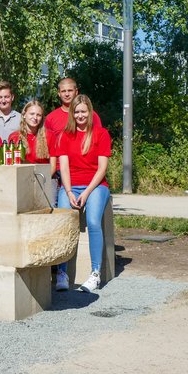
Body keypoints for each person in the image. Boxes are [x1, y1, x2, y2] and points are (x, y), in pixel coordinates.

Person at [54, 95, 112, 293]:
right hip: (71, 185)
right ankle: (62, 272)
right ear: (72, 113)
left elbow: (102, 168)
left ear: (90, 113)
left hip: (95, 186)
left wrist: (86, 193)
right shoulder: (64, 135)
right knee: (63, 222)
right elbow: (63, 167)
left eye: (83, 112)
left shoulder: (101, 134)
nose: (80, 115)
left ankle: (95, 273)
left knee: (93, 221)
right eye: (76, 112)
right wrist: (69, 191)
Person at [8, 100, 56, 172]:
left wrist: (44, 181)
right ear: (24, 115)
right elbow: (11, 165)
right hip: (22, 176)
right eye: (32, 114)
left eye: (38, 115)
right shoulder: (14, 137)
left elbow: (53, 166)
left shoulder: (50, 136)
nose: (35, 118)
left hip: (44, 176)